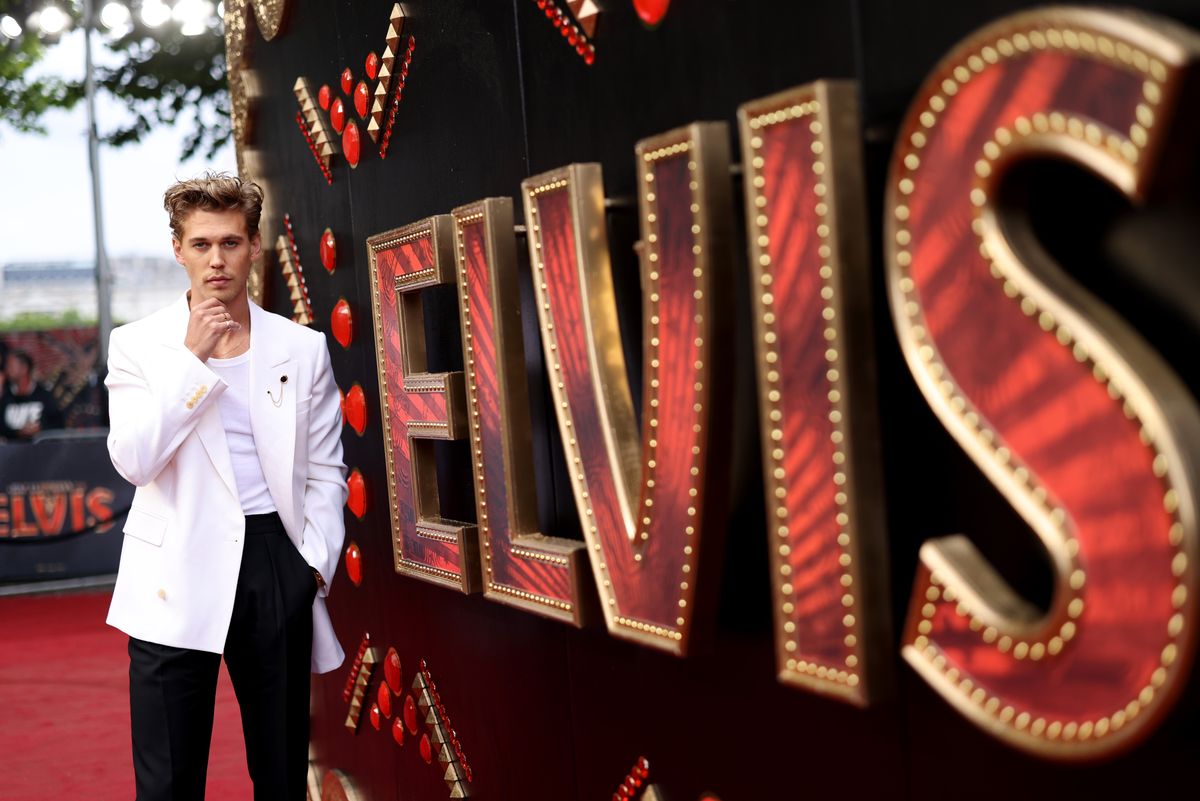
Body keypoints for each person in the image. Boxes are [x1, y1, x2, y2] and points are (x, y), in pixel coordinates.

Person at [104, 172, 347, 801]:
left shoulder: (302, 347)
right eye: (203, 243)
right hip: (173, 564)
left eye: (231, 243)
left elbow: (325, 471)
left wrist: (312, 570)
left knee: (282, 770)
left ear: (255, 245)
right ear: (178, 249)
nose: (217, 259)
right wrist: (192, 360)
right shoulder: (136, 346)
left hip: (273, 562)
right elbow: (133, 461)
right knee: (167, 781)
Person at [0, 348, 64, 441]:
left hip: (39, 450)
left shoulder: (44, 395)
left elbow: (58, 424)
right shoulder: (5, 397)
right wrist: (18, 432)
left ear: (24, 368)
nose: (7, 370)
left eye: (10, 366)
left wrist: (40, 430)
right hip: (11, 452)